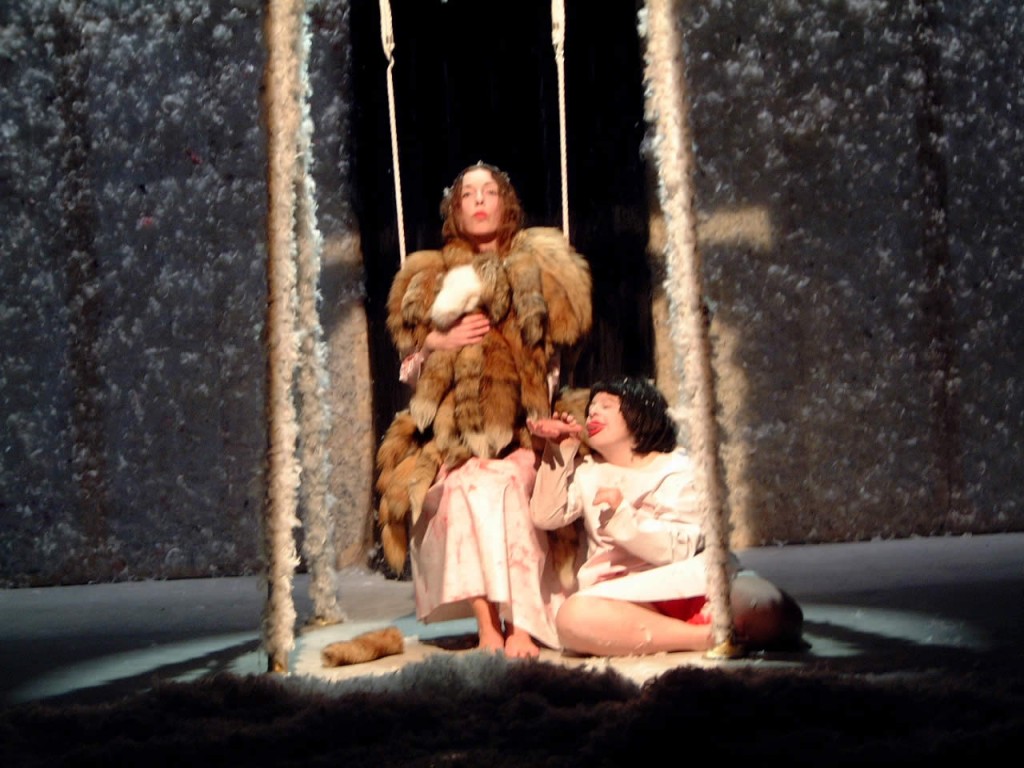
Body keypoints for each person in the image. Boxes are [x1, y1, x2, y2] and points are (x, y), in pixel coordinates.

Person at [374, 162, 592, 658]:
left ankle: (523, 624)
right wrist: (437, 341)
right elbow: (413, 372)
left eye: (488, 191)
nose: (478, 200)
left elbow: (552, 357)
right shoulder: (432, 275)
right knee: (463, 490)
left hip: (522, 430)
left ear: (504, 204)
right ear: (455, 209)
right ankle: (488, 624)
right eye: (467, 194)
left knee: (510, 486)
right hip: (455, 438)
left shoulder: (534, 269)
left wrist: (537, 414)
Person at [528, 375, 804, 656]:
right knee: (572, 618)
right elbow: (545, 516)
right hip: (623, 596)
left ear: (640, 413)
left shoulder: (677, 469)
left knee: (768, 607)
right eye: (591, 409)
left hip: (691, 580)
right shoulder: (588, 472)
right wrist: (559, 448)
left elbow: (680, 549)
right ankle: (703, 636)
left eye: (606, 406)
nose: (593, 413)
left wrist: (624, 520)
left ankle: (702, 628)